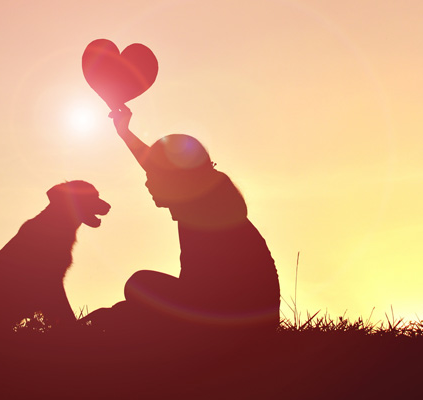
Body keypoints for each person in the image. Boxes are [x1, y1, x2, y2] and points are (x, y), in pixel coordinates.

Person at [87, 105, 280, 334]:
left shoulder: (202, 213)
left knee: (139, 286)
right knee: (139, 293)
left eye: (152, 175)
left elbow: (201, 294)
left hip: (231, 322)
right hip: (251, 320)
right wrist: (124, 133)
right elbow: (158, 164)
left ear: (173, 178)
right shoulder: (205, 199)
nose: (147, 183)